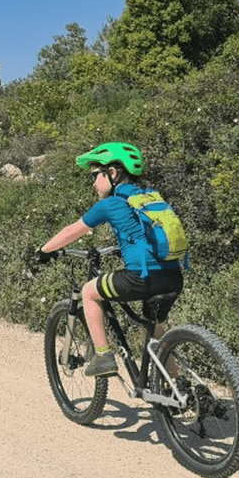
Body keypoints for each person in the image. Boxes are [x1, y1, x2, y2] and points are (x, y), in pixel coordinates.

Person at [36, 142, 184, 377]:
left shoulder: (109, 204)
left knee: (88, 292)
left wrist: (43, 251)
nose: (93, 182)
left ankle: (103, 355)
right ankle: (178, 386)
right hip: (173, 277)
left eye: (95, 175)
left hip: (140, 278)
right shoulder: (150, 198)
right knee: (155, 327)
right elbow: (144, 235)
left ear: (112, 173)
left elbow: (72, 231)